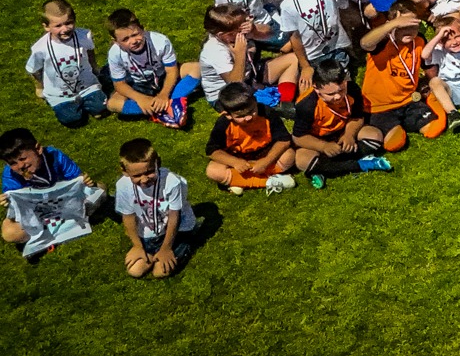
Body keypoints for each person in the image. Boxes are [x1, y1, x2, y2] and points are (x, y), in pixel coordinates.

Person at [2, 128, 104, 253]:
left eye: (23, 159)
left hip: (66, 205)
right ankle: (57, 228)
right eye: (13, 163)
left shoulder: (55, 156)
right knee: (9, 232)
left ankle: (56, 229)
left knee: (101, 189)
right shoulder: (10, 175)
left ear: (38, 149)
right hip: (37, 215)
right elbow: (17, 209)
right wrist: (8, 202)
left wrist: (87, 182)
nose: (21, 166)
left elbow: (76, 180)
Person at [113, 138, 194, 277]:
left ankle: (185, 244)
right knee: (135, 271)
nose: (144, 179)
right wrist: (137, 246)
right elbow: (128, 216)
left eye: (149, 172)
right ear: (125, 171)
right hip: (148, 233)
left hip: (175, 231)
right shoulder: (123, 186)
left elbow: (174, 216)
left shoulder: (172, 182)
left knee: (160, 272)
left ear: (158, 163)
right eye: (137, 175)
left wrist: (166, 248)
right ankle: (152, 251)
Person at [204, 83, 297, 196]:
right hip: (238, 160)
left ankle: (238, 181)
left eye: (252, 111)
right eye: (240, 116)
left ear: (255, 102)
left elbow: (284, 140)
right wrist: (235, 162)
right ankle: (269, 181)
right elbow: (212, 151)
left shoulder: (267, 112)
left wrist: (266, 161)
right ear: (227, 115)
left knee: (289, 155)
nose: (248, 118)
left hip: (265, 155)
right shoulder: (223, 124)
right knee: (213, 171)